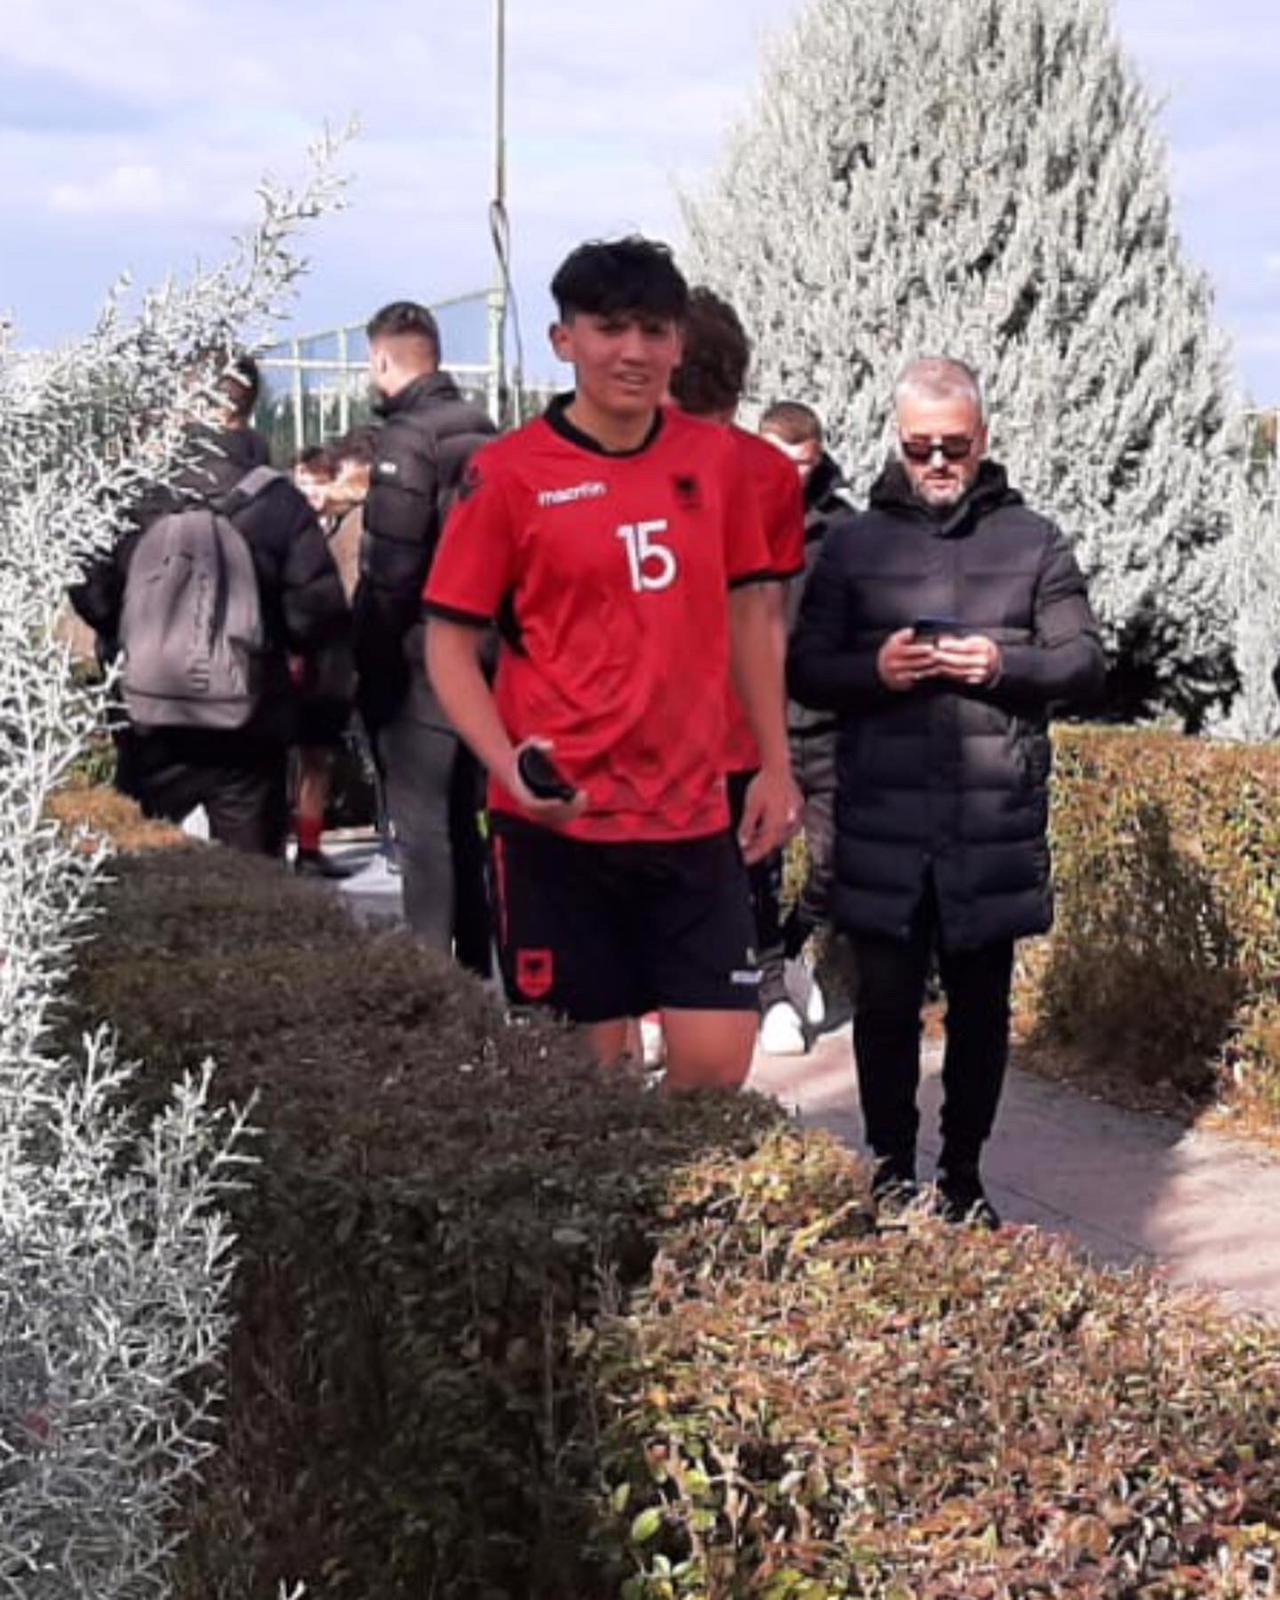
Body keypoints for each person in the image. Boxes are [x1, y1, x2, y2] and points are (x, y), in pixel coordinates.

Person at [424, 236, 801, 1091]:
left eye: (653, 330)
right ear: (564, 340)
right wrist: (507, 767)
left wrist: (774, 766)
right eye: (609, 328)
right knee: (587, 1089)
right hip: (562, 829)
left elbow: (752, 613)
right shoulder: (507, 474)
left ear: (678, 346)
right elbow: (447, 645)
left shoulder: (714, 461)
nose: (633, 350)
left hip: (692, 819)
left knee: (715, 1074)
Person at [788, 357, 1105, 1224]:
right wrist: (877, 669)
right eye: (920, 446)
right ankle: (890, 1170)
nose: (936, 462)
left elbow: (1084, 661)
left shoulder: (1033, 540)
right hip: (882, 820)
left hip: (989, 824)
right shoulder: (853, 544)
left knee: (980, 1014)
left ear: (983, 439)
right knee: (885, 1009)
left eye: (953, 447)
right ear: (898, 440)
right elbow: (804, 668)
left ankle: (964, 1177)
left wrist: (1004, 663)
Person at [69, 353, 349, 856]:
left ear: (187, 403)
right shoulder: (278, 500)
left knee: (143, 865)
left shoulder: (135, 494)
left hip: (148, 715)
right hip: (248, 721)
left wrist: (141, 630)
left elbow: (91, 593)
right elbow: (316, 615)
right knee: (251, 879)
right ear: (247, 408)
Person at [666, 290, 806, 1056]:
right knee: (750, 868)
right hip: (740, 715)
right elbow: (772, 612)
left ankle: (659, 1011)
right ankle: (766, 993)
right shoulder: (771, 473)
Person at [355, 302, 497, 966]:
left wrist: (371, 657)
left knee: (422, 832)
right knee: (469, 828)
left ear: (382, 359)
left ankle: (434, 979)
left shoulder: (406, 442)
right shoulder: (485, 432)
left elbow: (391, 572)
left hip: (420, 664)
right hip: (485, 658)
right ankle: (477, 968)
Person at [757, 399, 858, 1051]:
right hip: (752, 725)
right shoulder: (727, 521)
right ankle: (770, 994)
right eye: (777, 461)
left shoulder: (846, 532)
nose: (789, 476)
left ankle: (792, 949)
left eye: (802, 463)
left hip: (827, 723)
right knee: (756, 869)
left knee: (835, 858)